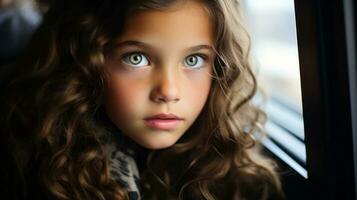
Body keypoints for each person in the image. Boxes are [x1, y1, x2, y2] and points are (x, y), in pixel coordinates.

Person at [0, 0, 286, 199]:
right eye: (136, 58)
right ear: (86, 62)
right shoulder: (30, 165)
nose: (169, 91)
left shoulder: (226, 163)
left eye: (194, 59)